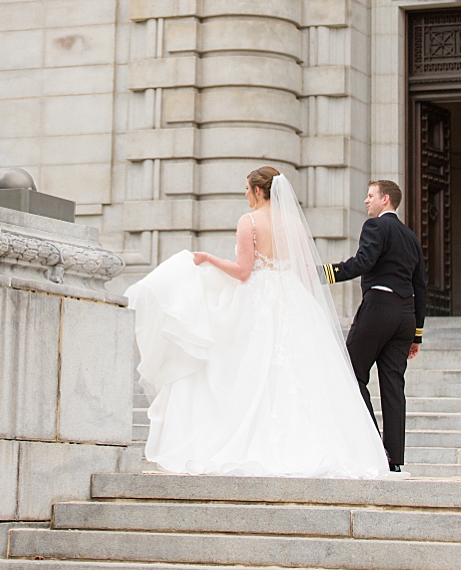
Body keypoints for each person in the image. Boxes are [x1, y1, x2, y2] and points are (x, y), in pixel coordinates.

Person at [125, 167, 390, 478]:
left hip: (260, 301)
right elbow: (305, 270)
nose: (245, 195)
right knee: (304, 373)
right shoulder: (294, 223)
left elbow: (243, 272)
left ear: (259, 191)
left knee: (248, 371)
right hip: (294, 299)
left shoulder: (248, 221)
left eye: (247, 189)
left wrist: (208, 258)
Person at [324, 179, 427, 472]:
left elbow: (362, 262)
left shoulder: (375, 228)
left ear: (386, 200)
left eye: (370, 196)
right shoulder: (411, 237)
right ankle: (394, 459)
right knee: (393, 386)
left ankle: (372, 446)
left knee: (351, 374)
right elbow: (421, 287)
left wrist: (323, 274)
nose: (366, 201)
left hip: (378, 309)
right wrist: (416, 334)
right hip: (405, 316)